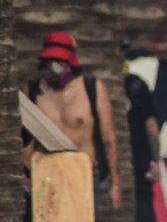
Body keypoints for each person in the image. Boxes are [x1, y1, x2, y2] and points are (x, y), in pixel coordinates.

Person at [24, 31, 122, 211]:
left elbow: (109, 139)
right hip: (48, 177)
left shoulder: (91, 88)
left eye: (60, 62)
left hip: (85, 175)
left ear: (70, 62)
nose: (55, 67)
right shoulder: (35, 91)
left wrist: (115, 184)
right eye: (50, 61)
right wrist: (28, 176)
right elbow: (27, 141)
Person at [122, 50, 167, 222]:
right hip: (138, 166)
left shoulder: (136, 86)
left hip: (138, 166)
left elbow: (152, 128)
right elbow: (152, 129)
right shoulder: (134, 85)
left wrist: (155, 161)